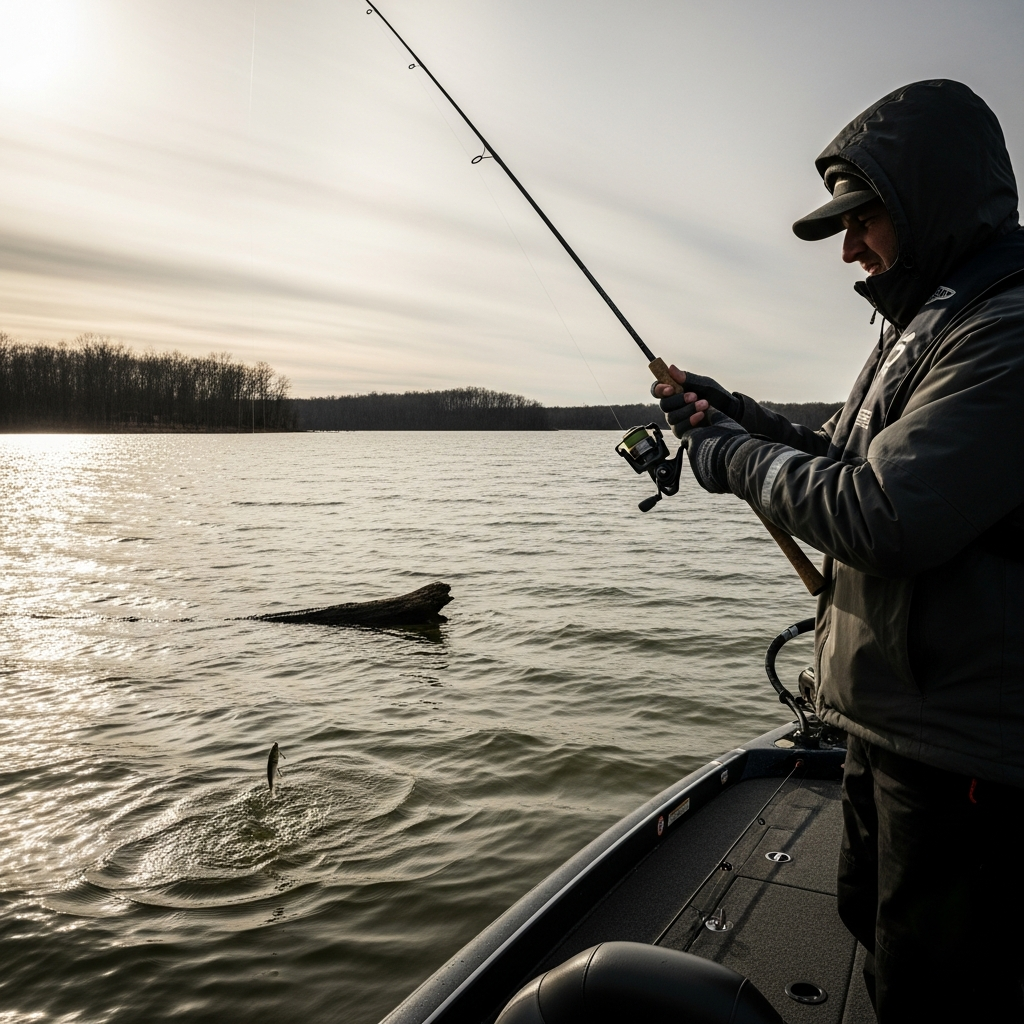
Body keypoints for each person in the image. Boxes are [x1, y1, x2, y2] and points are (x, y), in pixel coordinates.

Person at [653, 80, 1024, 1021]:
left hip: (960, 753)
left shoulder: (1006, 327)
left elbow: (885, 513)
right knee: (866, 923)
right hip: (883, 720)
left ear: (928, 199)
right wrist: (732, 412)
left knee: (937, 991)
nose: (850, 248)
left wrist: (730, 458)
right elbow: (841, 459)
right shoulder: (923, 325)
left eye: (862, 219)